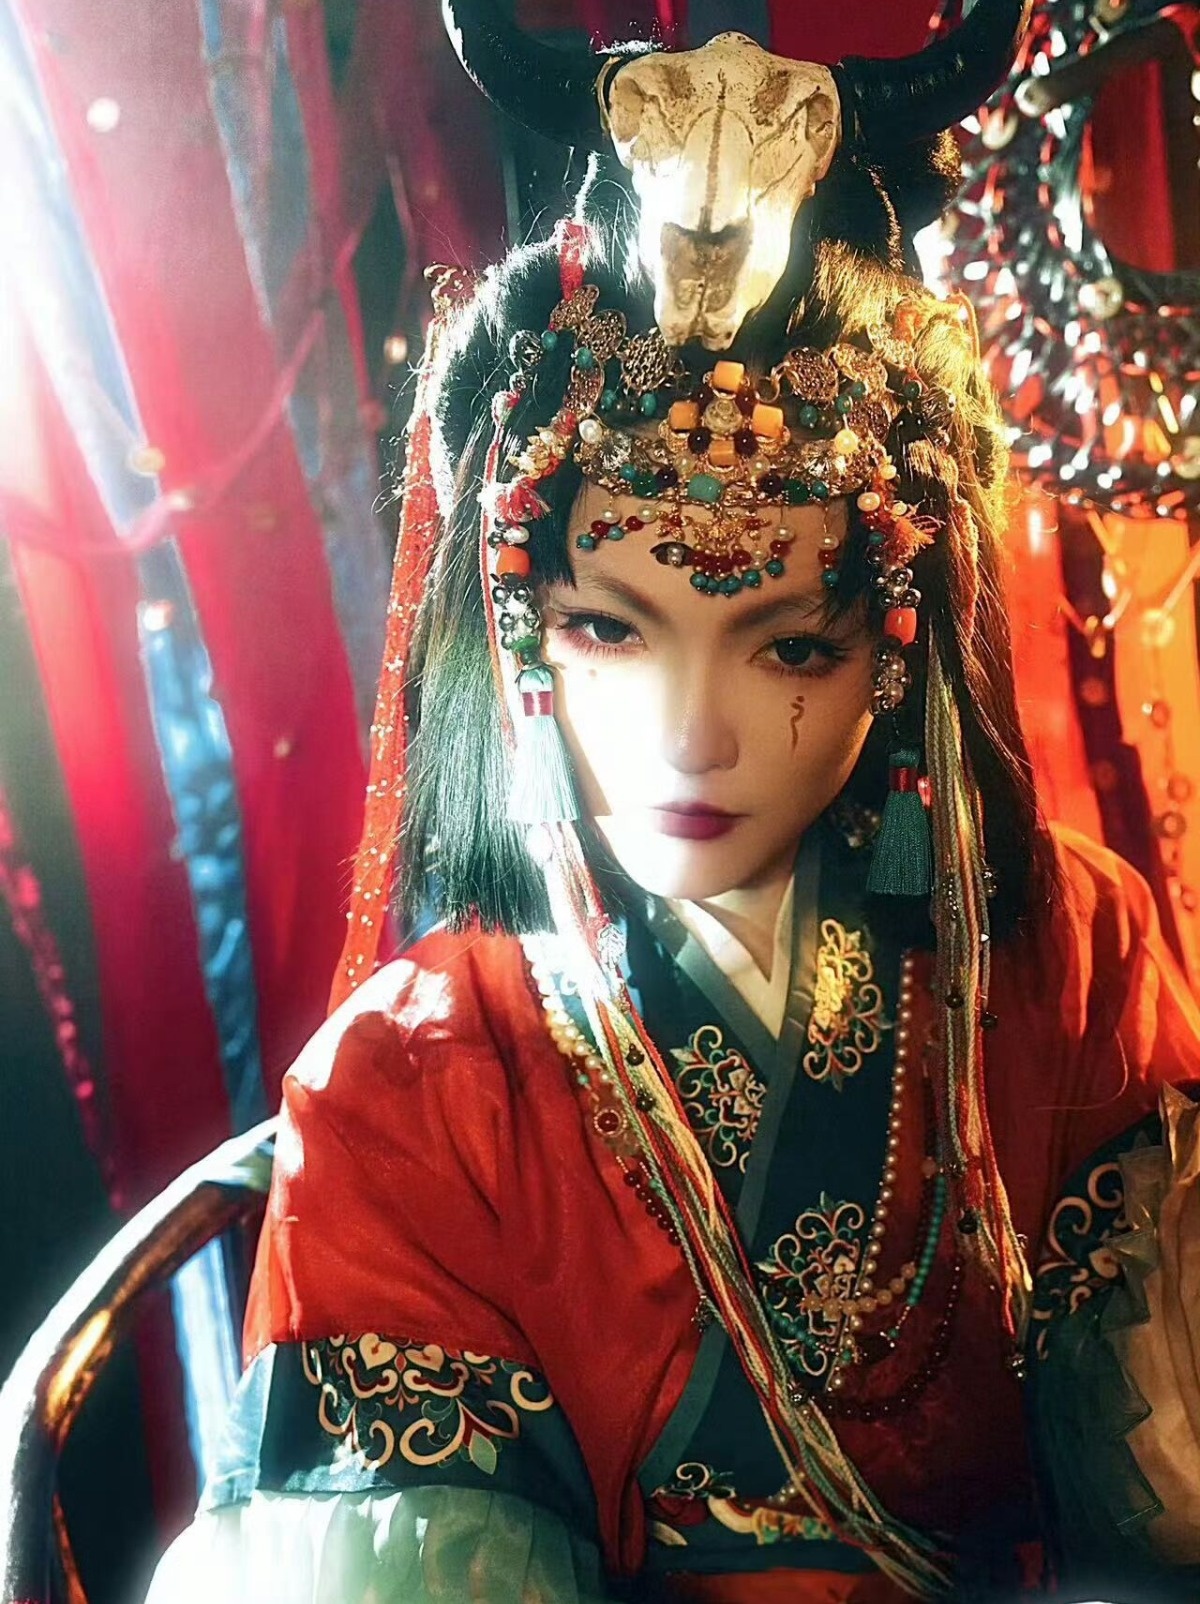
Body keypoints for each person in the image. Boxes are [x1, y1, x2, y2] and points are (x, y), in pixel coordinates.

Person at [144, 8, 1200, 1602]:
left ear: (899, 652)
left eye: (792, 644)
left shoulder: (1068, 948)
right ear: (515, 635)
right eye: (609, 630)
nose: (693, 738)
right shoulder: (412, 1082)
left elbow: (1168, 1496)